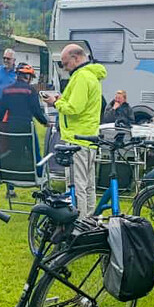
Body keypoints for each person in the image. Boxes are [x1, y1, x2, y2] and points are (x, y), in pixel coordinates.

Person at [42, 44, 106, 216]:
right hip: (89, 138)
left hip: (77, 139)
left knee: (77, 186)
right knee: (89, 185)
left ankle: (80, 223)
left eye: (65, 63)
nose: (64, 68)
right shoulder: (92, 75)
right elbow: (80, 104)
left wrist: (55, 102)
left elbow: (74, 108)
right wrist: (63, 99)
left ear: (76, 58)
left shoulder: (81, 77)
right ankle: (90, 221)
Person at [0, 63, 49, 197]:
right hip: (27, 127)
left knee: (13, 156)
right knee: (35, 155)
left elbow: (0, 114)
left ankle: (10, 189)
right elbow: (36, 111)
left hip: (11, 128)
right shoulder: (30, 90)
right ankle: (41, 184)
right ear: (27, 76)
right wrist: (45, 122)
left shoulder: (6, 91)